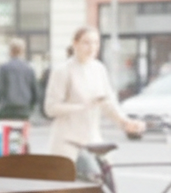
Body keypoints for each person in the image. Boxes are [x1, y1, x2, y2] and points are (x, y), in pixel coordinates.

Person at [45, 26, 144, 171]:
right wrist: (81, 106)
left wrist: (125, 122)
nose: (92, 47)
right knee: (82, 180)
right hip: (68, 142)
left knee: (106, 180)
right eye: (86, 42)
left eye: (95, 43)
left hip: (93, 140)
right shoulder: (63, 71)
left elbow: (108, 103)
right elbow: (50, 108)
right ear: (75, 44)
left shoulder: (99, 69)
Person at [0, 38, 39, 120]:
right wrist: (30, 109)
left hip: (7, 110)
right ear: (23, 51)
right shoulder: (29, 69)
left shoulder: (4, 68)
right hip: (24, 110)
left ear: (10, 51)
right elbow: (35, 93)